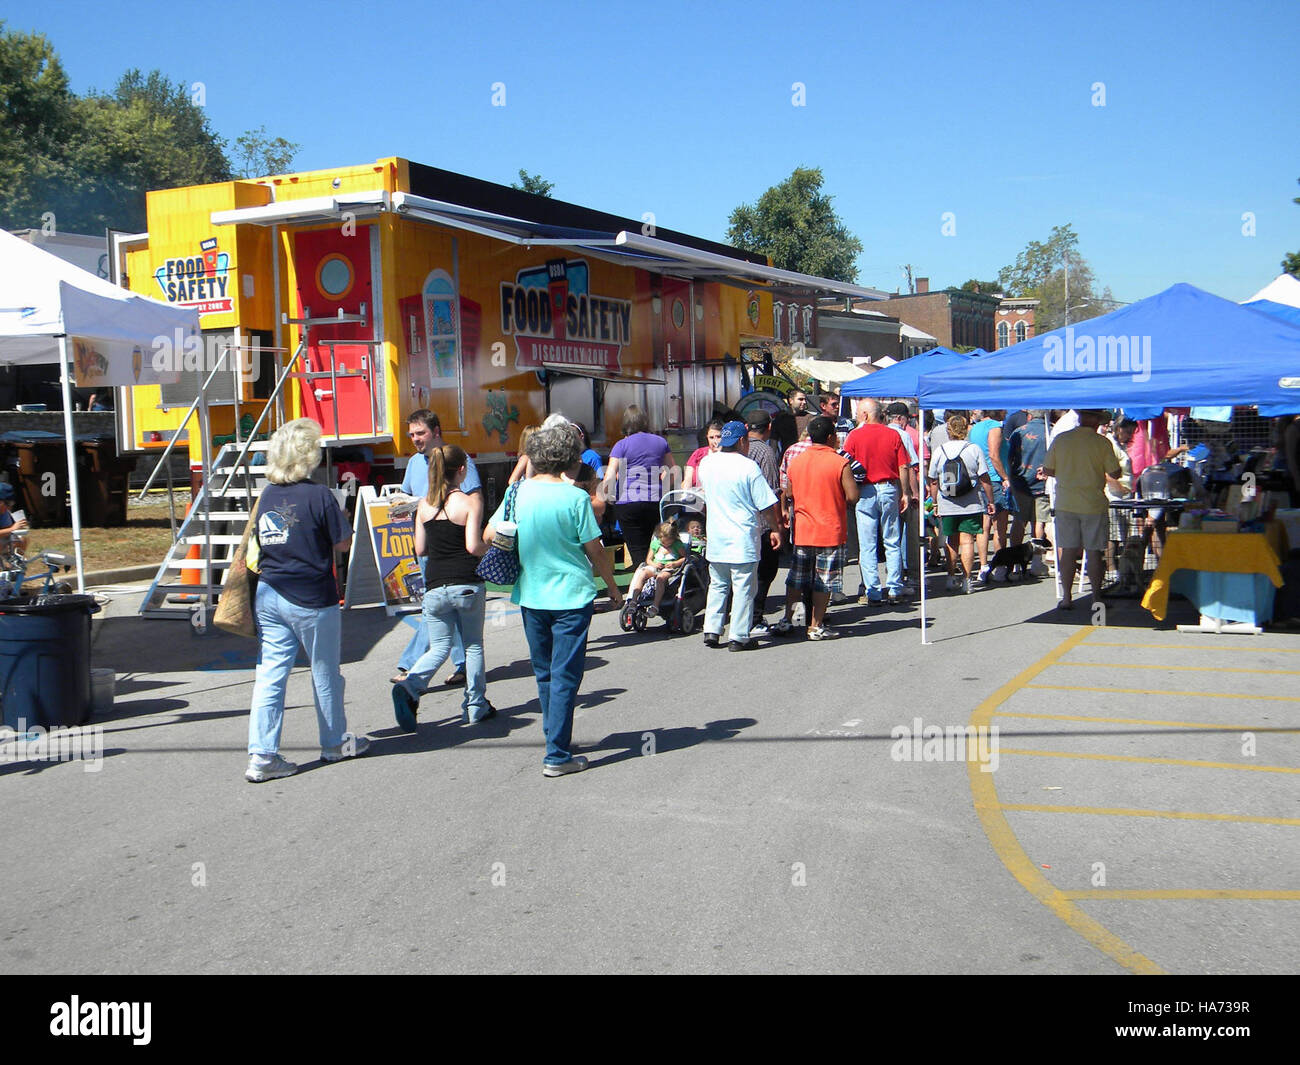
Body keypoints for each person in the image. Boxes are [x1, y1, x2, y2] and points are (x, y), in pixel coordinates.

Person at [486, 423, 623, 776]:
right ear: (569, 459)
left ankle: (554, 737)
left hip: (531, 594)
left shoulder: (517, 493)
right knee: (566, 674)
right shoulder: (575, 498)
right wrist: (612, 586)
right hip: (572, 596)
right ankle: (557, 754)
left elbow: (489, 534)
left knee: (545, 672)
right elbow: (595, 549)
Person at [245, 418, 368, 782]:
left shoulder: (267, 493)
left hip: (269, 592)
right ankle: (333, 742)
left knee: (270, 676)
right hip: (312, 596)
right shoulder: (318, 495)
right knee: (324, 672)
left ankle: (262, 755)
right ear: (308, 456)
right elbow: (342, 542)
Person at [391, 445, 494, 732]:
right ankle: (475, 705)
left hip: (435, 585)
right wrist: (493, 549)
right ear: (462, 470)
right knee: (473, 646)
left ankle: (411, 685)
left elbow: (420, 549)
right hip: (466, 583)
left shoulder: (424, 505)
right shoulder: (469, 503)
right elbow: (473, 546)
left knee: (438, 647)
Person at [393, 409, 480, 688]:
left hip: (453, 547)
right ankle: (463, 668)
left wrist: (471, 533)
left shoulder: (456, 459)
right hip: (428, 544)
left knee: (438, 609)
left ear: (436, 432)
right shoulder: (413, 463)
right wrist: (403, 505)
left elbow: (474, 498)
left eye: (420, 433)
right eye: (411, 434)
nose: (415, 439)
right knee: (443, 610)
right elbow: (410, 497)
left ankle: (411, 666)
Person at [697, 421, 781, 651]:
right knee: (744, 587)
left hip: (716, 535)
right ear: (743, 441)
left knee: (718, 584)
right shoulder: (748, 467)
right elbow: (765, 504)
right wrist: (775, 528)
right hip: (742, 536)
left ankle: (712, 630)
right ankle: (739, 635)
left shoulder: (706, 463)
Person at [777, 416, 858, 640]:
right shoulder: (839, 462)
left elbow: (790, 493)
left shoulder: (798, 461)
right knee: (825, 580)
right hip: (830, 529)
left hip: (803, 527)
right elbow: (852, 496)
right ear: (831, 437)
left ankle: (791, 619)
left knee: (796, 578)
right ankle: (815, 625)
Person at [1043, 409, 1121, 611]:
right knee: (1094, 552)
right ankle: (1096, 597)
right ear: (1095, 420)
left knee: (1068, 551)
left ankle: (1067, 598)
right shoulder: (1102, 442)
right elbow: (1115, 472)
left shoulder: (1061, 439)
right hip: (1093, 503)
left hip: (1066, 502)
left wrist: (1068, 471)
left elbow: (1049, 469)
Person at [843, 399, 910, 604]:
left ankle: (872, 591)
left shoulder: (854, 436)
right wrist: (905, 492)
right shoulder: (893, 434)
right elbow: (904, 467)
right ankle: (894, 588)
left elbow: (845, 463)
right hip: (888, 487)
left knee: (868, 543)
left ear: (864, 415)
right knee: (892, 539)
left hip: (865, 490)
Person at [928, 413, 996, 594]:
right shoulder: (973, 449)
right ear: (966, 430)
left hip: (947, 501)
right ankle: (967, 580)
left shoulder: (939, 451)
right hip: (971, 501)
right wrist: (990, 500)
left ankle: (951, 577)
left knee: (951, 540)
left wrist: (934, 502)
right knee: (967, 541)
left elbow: (933, 480)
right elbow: (984, 477)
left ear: (948, 430)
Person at [601, 405, 674, 571]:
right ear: (645, 421)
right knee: (655, 547)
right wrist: (662, 492)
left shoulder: (621, 445)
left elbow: (610, 475)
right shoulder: (661, 442)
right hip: (654, 502)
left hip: (627, 504)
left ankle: (640, 587)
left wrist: (606, 497)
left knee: (637, 551)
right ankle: (656, 587)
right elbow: (672, 472)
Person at [743, 411, 781, 636]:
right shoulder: (766, 451)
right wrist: (777, 526)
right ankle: (754, 618)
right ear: (768, 428)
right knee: (765, 571)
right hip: (761, 521)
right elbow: (770, 492)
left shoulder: (737, 450)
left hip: (740, 518)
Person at [969, 409, 1010, 577]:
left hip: (980, 478)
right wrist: (1005, 477)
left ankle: (984, 566)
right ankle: (999, 567)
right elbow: (994, 455)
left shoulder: (975, 428)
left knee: (984, 526)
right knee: (999, 526)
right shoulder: (994, 427)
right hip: (993, 479)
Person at [626, 518, 687, 618]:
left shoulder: (677, 545)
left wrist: (675, 563)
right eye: (663, 542)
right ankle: (633, 600)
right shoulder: (655, 544)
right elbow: (648, 560)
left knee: (660, 578)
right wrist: (654, 564)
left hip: (668, 568)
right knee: (642, 573)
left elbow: (685, 558)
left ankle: (655, 605)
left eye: (668, 543)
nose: (666, 545)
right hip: (656, 566)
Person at [1008, 411, 1050, 547]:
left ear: (1029, 416)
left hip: (1021, 483)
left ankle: (1014, 557)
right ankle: (1037, 557)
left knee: (1019, 521)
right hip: (1043, 484)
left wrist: (1010, 477)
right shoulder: (1050, 433)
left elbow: (1009, 458)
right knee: (1039, 521)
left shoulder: (1018, 432)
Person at [683, 419, 724, 490]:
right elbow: (687, 480)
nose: (715, 441)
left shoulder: (729, 455)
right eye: (711, 437)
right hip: (698, 496)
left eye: (718, 437)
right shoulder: (698, 453)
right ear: (707, 437)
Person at [0, 481, 29, 549]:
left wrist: (18, 527)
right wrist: (11, 529)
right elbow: (9, 529)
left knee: (22, 540)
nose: (9, 507)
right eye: (8, 503)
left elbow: (6, 529)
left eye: (11, 503)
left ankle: (14, 559)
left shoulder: (4, 513)